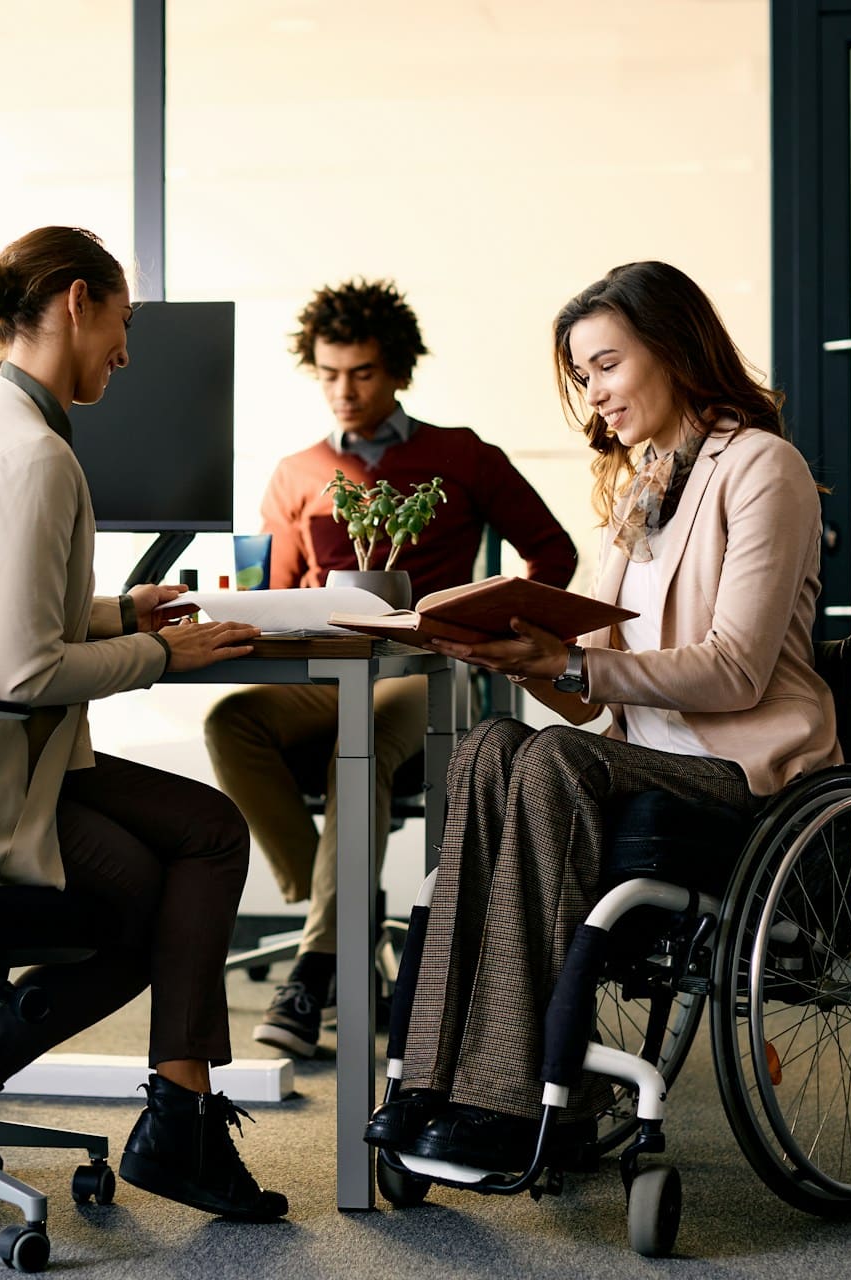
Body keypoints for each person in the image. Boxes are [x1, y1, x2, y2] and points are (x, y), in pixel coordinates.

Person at [0, 225, 287, 1221]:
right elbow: (30, 666)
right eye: (122, 324)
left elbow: (8, 618)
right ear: (79, 301)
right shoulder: (33, 453)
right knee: (167, 884)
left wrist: (124, 614)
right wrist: (166, 655)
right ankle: (177, 1119)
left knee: (199, 843)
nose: (126, 353)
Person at [363, 261, 842, 1169]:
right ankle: (429, 1077)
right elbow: (593, 679)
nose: (595, 397)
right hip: (638, 755)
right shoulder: (642, 486)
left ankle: (514, 1100)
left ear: (673, 347)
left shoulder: (762, 468)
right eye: (583, 377)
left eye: (607, 367)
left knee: (548, 766)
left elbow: (736, 671)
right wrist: (510, 655)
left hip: (741, 772)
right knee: (492, 746)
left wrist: (575, 661)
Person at [203, 277, 577, 1058]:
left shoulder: (463, 455)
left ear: (399, 370)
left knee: (363, 735)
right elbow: (278, 586)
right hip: (326, 676)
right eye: (329, 374)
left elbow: (554, 553)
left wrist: (485, 623)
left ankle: (315, 967)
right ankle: (342, 922)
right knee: (229, 720)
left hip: (429, 673)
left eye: (362, 373)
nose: (343, 391)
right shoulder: (296, 473)